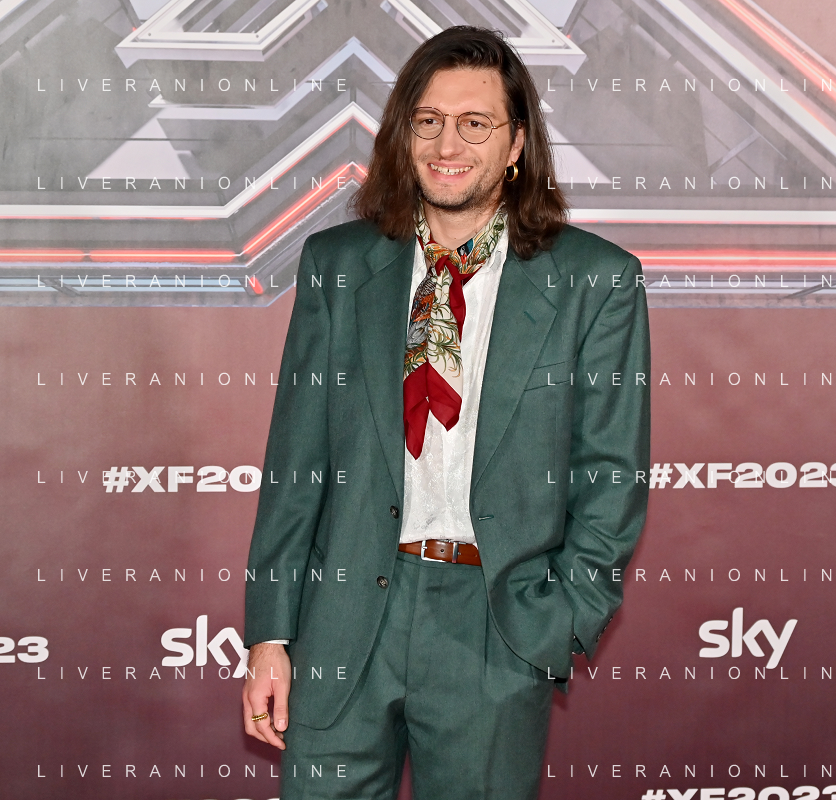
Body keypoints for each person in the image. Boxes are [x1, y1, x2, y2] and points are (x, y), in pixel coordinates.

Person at [242, 25, 650, 800]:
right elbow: (295, 467)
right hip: (341, 619)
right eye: (427, 120)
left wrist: (559, 618)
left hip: (494, 625)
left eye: (474, 122)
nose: (446, 144)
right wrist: (270, 633)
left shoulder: (595, 281)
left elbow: (611, 472)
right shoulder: (336, 266)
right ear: (403, 135)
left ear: (516, 142)